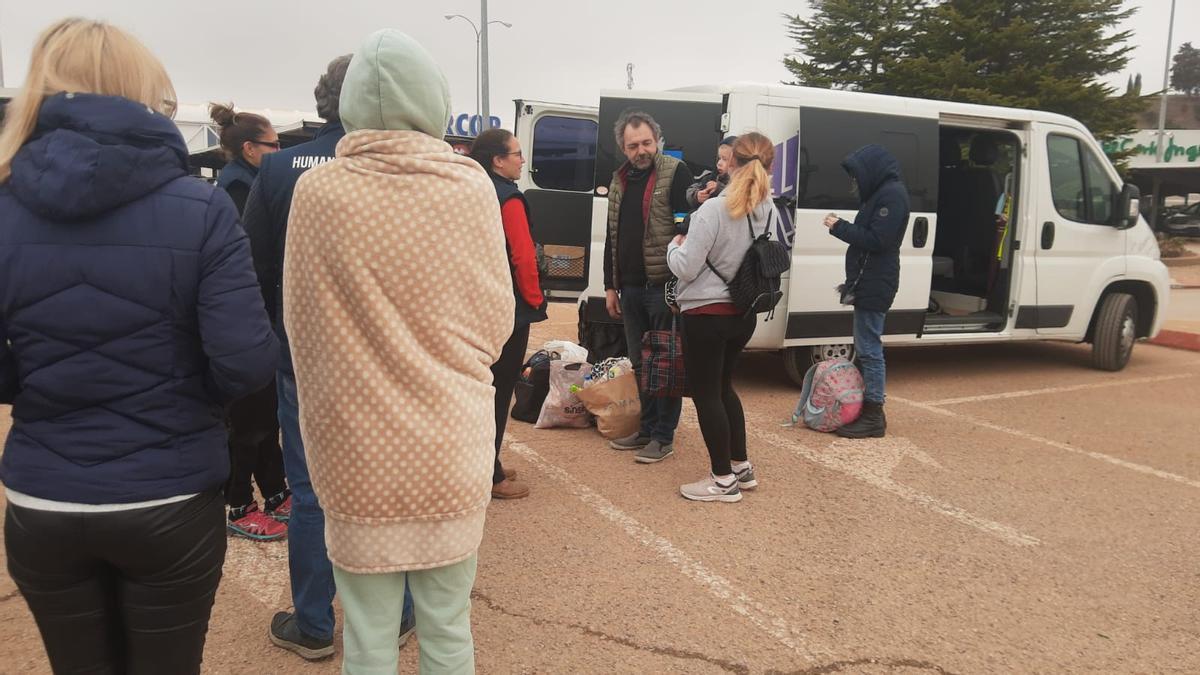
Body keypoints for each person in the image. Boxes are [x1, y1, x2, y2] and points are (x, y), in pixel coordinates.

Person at [0, 18, 278, 674]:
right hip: (170, 492)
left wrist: (38, 378)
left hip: (45, 495)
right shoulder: (203, 210)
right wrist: (185, 397)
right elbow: (245, 361)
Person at [284, 29, 513, 674]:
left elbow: (301, 328)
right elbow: (496, 322)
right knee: (447, 627)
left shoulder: (320, 192)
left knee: (367, 635)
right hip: (449, 440)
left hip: (353, 446)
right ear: (433, 99)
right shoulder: (469, 187)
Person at [240, 55, 418, 660]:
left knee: (312, 491)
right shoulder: (406, 167)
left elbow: (256, 267)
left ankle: (314, 622)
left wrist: (282, 335)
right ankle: (399, 612)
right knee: (395, 481)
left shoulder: (281, 168)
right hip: (393, 358)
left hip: (308, 358)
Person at [666, 132, 779, 503]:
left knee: (705, 393)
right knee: (725, 387)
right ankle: (741, 467)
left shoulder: (713, 209)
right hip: (743, 313)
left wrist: (672, 246)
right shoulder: (768, 208)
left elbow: (685, 266)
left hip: (706, 314)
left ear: (731, 162)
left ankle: (722, 480)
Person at [209, 102, 290, 541]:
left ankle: (276, 491)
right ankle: (238, 502)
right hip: (247, 317)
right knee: (248, 419)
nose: (279, 150)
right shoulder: (237, 190)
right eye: (273, 144)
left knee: (265, 414)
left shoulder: (255, 181)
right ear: (249, 148)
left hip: (259, 314)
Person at [602, 110, 694, 464]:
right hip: (630, 288)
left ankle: (662, 436)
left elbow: (685, 229)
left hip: (662, 287)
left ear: (657, 141)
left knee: (665, 365)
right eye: (632, 145)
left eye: (646, 143)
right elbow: (613, 237)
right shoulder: (619, 180)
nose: (640, 150)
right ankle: (645, 429)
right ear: (623, 148)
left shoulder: (675, 172)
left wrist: (676, 285)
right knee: (640, 364)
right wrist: (611, 286)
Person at [468, 128, 548, 501]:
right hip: (507, 312)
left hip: (472, 308)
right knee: (499, 395)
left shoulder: (468, 190)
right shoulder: (509, 199)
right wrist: (534, 302)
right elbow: (523, 257)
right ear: (497, 160)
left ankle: (483, 464)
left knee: (473, 394)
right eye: (516, 153)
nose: (522, 159)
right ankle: (490, 475)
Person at [822, 144, 911, 439]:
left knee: (870, 350)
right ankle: (863, 407)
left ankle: (874, 414)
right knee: (865, 347)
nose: (855, 183)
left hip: (876, 281)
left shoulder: (892, 196)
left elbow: (878, 240)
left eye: (857, 176)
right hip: (868, 279)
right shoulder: (882, 194)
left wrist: (839, 226)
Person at [685, 135, 737, 209]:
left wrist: (719, 189)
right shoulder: (711, 177)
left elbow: (738, 198)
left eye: (725, 159)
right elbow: (692, 189)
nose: (719, 163)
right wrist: (697, 196)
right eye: (719, 158)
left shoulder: (741, 182)